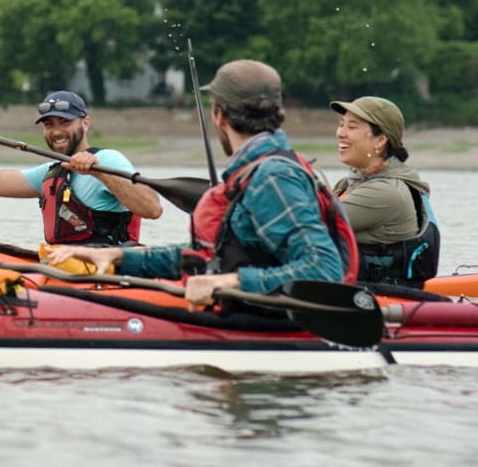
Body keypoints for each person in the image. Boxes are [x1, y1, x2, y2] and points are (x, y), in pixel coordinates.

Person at [46, 60, 358, 306]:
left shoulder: (272, 176)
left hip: (270, 320)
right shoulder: (254, 171)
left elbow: (324, 270)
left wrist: (228, 282)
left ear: (219, 115)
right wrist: (118, 257)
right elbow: (207, 256)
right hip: (248, 311)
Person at [0, 90, 163, 250]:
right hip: (65, 270)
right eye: (49, 124)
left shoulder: (108, 160)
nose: (57, 131)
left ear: (85, 123)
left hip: (107, 272)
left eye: (64, 122)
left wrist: (100, 173)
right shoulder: (52, 172)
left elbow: (152, 209)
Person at [330, 96, 440, 288]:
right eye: (341, 124)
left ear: (380, 140)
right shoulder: (347, 184)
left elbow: (306, 223)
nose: (341, 133)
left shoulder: (385, 193)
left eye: (352, 127)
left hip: (378, 302)